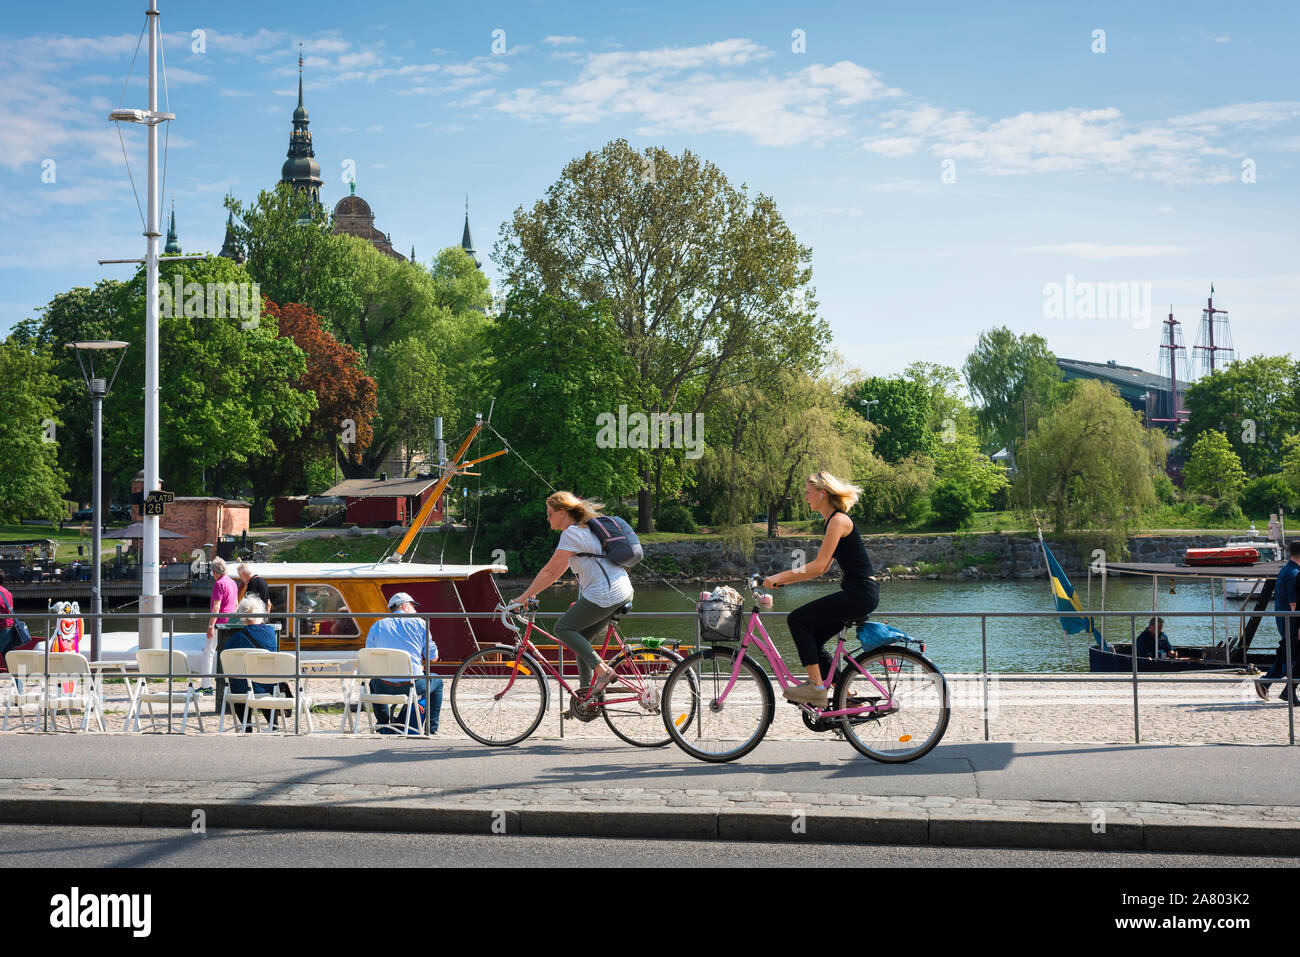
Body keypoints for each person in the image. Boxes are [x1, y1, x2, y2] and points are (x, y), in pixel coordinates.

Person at [762, 470, 878, 706]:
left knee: (797, 620)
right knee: (812, 637)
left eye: (808, 493)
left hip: (860, 593)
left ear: (822, 494)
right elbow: (823, 568)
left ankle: (816, 688)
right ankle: (843, 694)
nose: (806, 498)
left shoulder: (838, 520)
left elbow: (818, 566)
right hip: (859, 593)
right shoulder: (833, 521)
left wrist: (780, 576)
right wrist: (784, 580)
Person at [512, 492, 629, 712]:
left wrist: (523, 596)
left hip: (605, 594)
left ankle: (603, 672)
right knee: (580, 638)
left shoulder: (572, 534)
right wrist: (533, 592)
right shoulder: (584, 531)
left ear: (561, 513)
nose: (547, 518)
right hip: (620, 590)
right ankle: (587, 698)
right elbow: (556, 572)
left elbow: (549, 570)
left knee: (563, 628)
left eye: (549, 514)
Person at [364, 592, 443, 733]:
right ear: (406, 606)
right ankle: (431, 729)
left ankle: (383, 725)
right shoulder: (420, 623)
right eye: (413, 606)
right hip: (412, 686)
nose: (416, 610)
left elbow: (370, 657)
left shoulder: (377, 626)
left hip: (384, 686)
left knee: (373, 682)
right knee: (437, 681)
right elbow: (433, 658)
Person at [222, 595, 279, 730]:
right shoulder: (271, 633)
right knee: (264, 683)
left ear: (241, 615)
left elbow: (225, 658)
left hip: (242, 690)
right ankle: (274, 725)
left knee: (239, 683)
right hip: (266, 689)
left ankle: (246, 726)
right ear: (261, 612)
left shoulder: (236, 638)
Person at [1257, 540, 1300, 702]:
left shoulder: (1286, 570)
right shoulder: (1294, 574)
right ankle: (1268, 682)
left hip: (1283, 619)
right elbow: (1294, 604)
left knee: (1289, 654)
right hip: (1291, 621)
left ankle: (1274, 685)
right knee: (1291, 655)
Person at [203, 557, 239, 695]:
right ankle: (230, 684)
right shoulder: (233, 583)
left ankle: (206, 685)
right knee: (226, 653)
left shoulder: (219, 584)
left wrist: (211, 626)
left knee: (208, 652)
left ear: (214, 571)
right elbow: (235, 604)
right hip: (230, 623)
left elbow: (216, 606)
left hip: (219, 623)